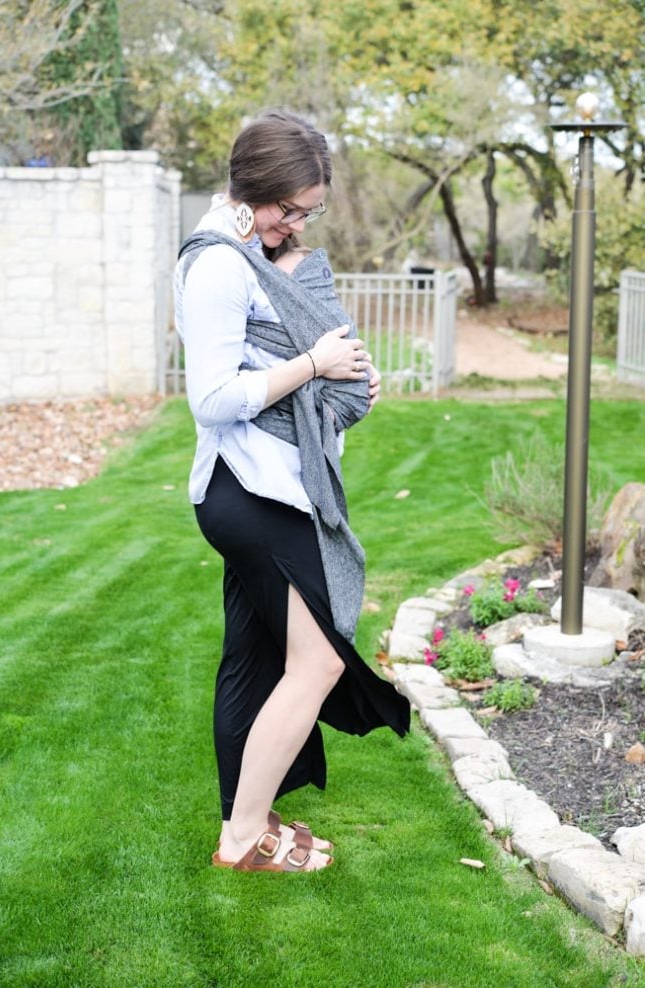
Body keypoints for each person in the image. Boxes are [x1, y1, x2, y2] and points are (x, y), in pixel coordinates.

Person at [174, 109, 410, 873]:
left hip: (267, 488)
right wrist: (314, 365)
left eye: (310, 211)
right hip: (249, 497)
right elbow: (211, 398)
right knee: (318, 665)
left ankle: (251, 813)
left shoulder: (252, 253)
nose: (297, 224)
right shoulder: (216, 265)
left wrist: (347, 378)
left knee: (252, 658)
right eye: (292, 210)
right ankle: (241, 840)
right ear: (256, 191)